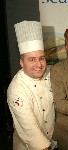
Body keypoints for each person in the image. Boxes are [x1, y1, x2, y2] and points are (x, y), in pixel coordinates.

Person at [7, 20, 56, 150]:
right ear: (22, 63)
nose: (39, 65)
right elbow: (30, 130)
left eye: (41, 58)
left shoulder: (50, 72)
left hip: (52, 139)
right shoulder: (16, 89)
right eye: (32, 59)